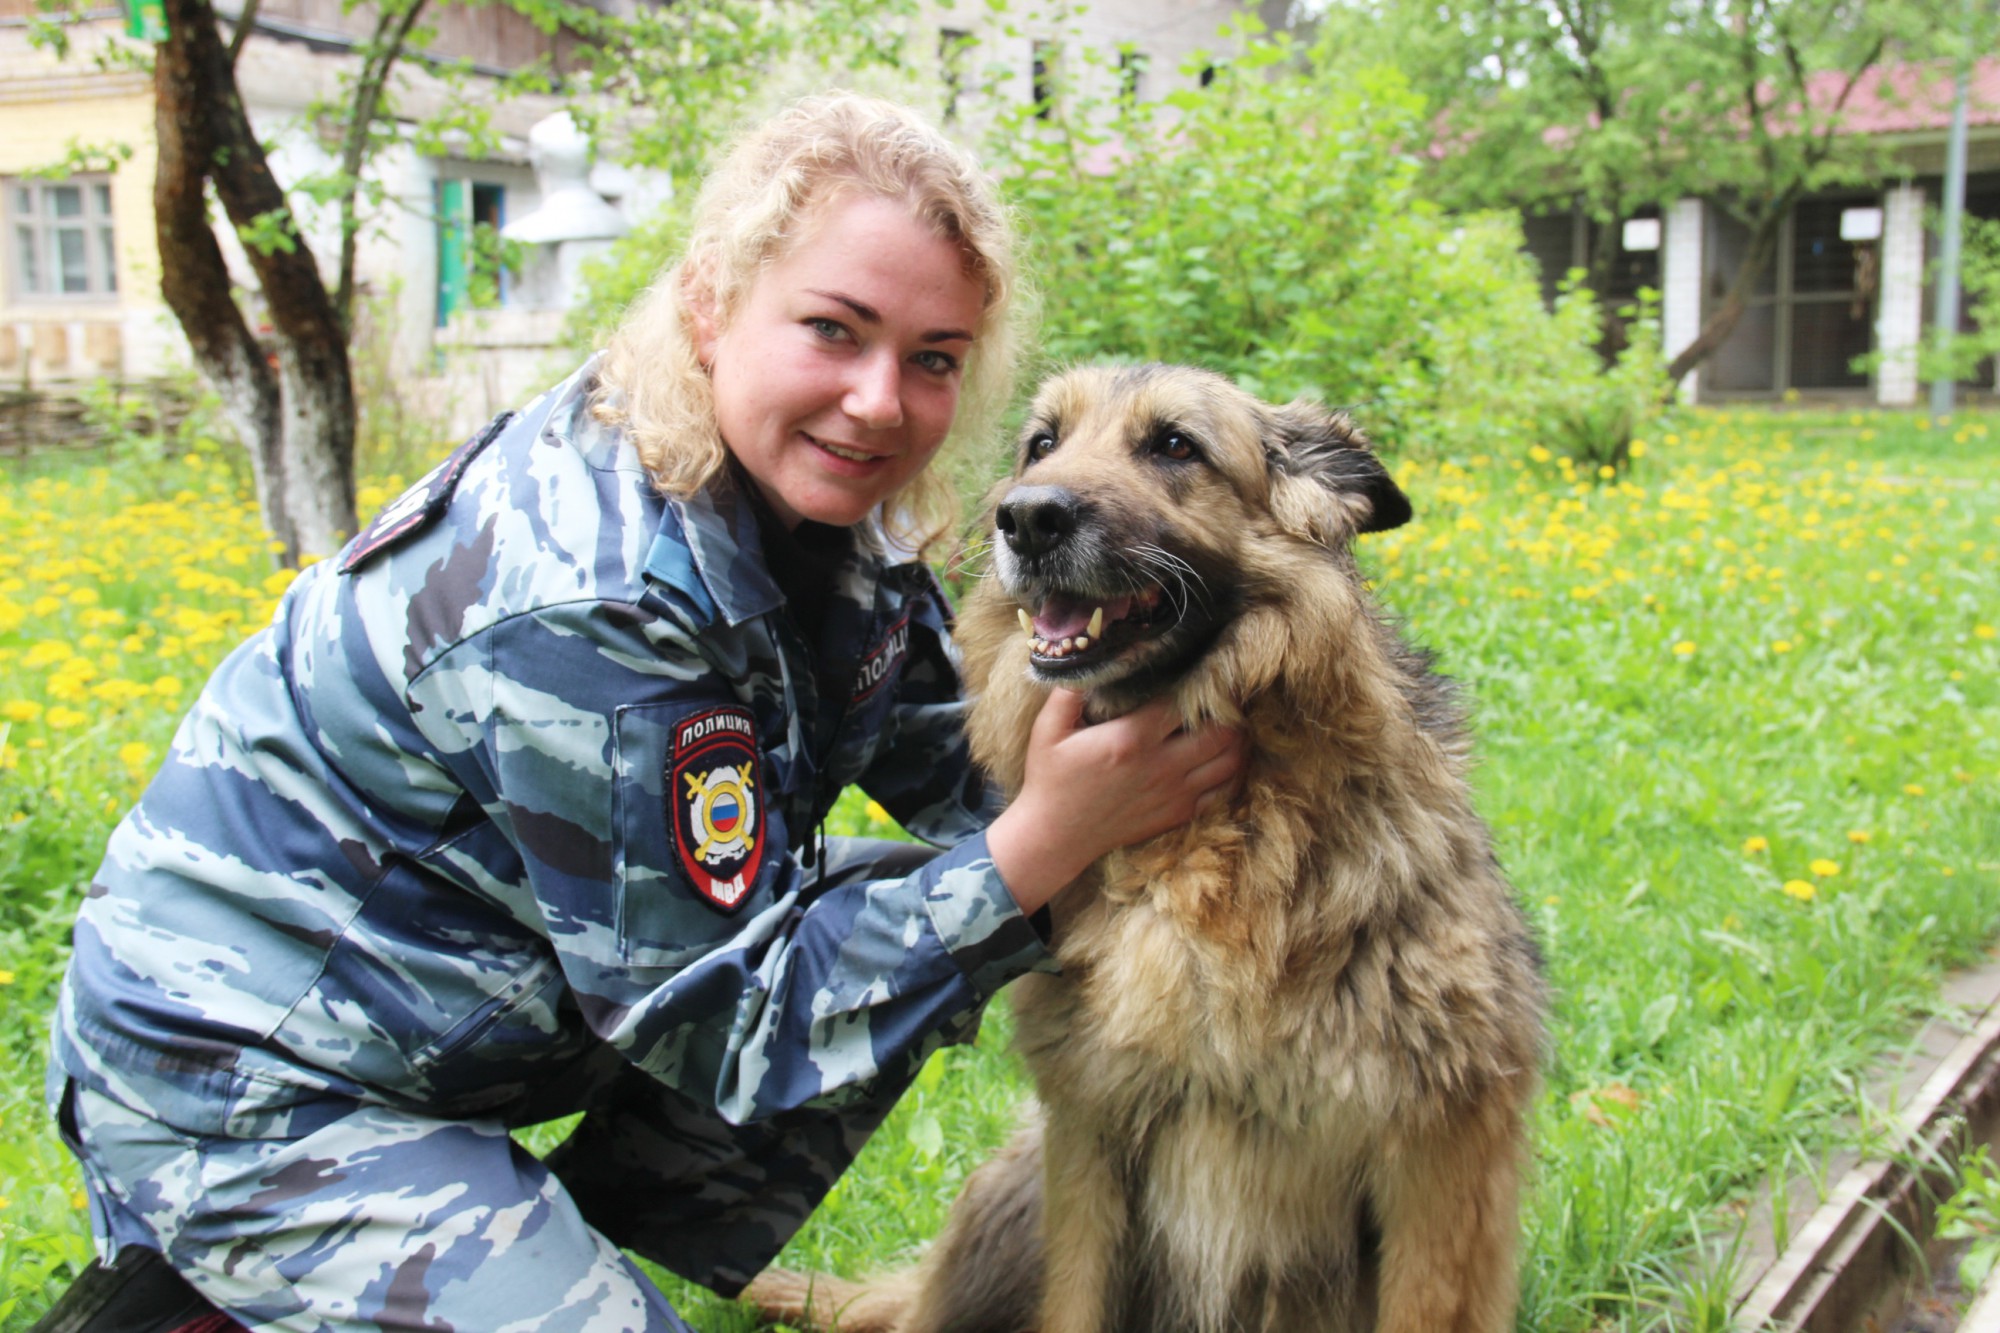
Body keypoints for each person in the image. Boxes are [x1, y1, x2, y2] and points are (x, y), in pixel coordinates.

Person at [42, 94, 1244, 1333]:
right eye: (833, 330)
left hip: (468, 1011)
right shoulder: (589, 594)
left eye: (932, 358)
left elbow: (968, 776)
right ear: (710, 307)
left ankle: (513, 1250)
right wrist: (1047, 838)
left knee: (903, 904)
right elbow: (730, 1021)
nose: (881, 402)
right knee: (942, 918)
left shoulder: (833, 513)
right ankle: (219, 1293)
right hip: (254, 1077)